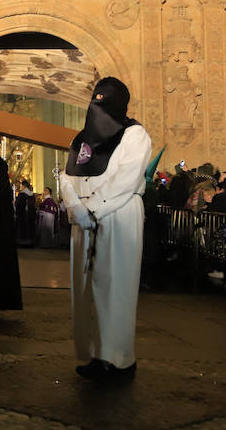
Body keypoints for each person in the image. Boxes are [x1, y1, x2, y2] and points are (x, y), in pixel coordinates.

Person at [60, 77, 152, 381]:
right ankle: (95, 353)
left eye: (105, 99)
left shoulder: (134, 134)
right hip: (83, 218)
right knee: (86, 288)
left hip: (116, 214)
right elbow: (67, 174)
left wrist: (94, 208)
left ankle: (119, 358)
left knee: (114, 285)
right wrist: (74, 205)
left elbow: (126, 178)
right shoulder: (80, 139)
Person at [15, 180, 37, 246]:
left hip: (22, 215)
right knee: (30, 227)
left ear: (23, 186)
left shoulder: (21, 194)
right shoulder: (32, 194)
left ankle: (23, 242)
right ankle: (31, 242)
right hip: (31, 215)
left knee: (23, 228)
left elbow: (18, 205)